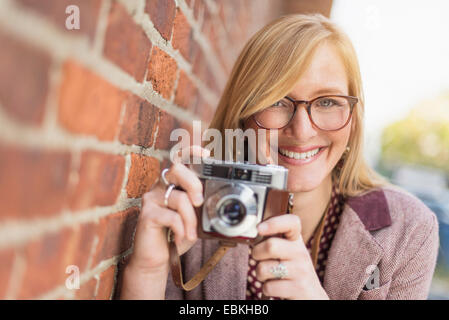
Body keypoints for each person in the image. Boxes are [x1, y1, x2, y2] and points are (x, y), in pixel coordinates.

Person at [119, 13, 439, 300]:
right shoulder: (196, 208)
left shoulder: (407, 229)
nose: (302, 131)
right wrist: (147, 272)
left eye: (327, 102)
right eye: (277, 101)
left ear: (354, 118)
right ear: (243, 114)